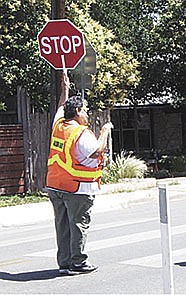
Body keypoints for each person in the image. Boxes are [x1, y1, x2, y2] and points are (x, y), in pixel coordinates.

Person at [46, 73, 113, 275]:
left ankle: (65, 262)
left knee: (62, 226)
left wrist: (64, 88)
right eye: (85, 110)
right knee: (79, 225)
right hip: (77, 187)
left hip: (55, 185)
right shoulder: (81, 133)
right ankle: (78, 262)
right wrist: (105, 130)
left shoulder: (59, 124)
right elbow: (98, 150)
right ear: (77, 111)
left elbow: (60, 105)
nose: (87, 113)